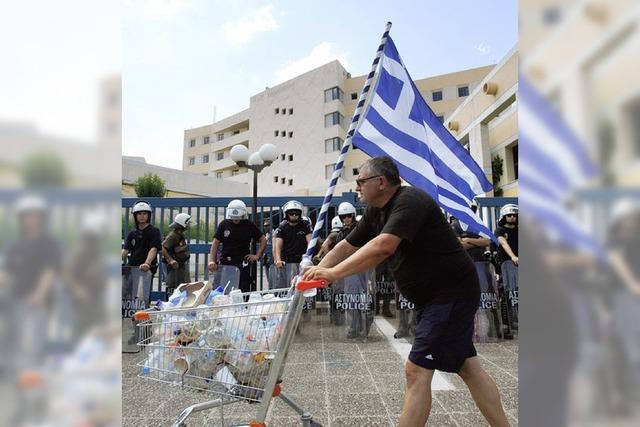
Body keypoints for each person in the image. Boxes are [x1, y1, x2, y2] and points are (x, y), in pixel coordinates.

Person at [302, 156, 509, 427]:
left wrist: (333, 274)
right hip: (436, 298)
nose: (357, 187)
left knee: (416, 371)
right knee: (468, 368)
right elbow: (347, 246)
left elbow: (383, 247)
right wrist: (314, 271)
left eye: (361, 181)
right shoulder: (377, 211)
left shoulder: (410, 201)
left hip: (449, 294)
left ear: (381, 182)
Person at [208, 200, 266, 293]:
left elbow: (263, 239)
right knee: (222, 290)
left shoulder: (249, 225)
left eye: (238, 217)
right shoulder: (224, 224)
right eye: (234, 217)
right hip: (226, 263)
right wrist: (212, 260)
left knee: (242, 290)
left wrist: (257, 255)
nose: (236, 219)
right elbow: (215, 243)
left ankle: (243, 307)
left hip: (242, 264)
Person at [122, 200, 161, 301]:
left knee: (143, 295)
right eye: (139, 213)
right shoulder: (132, 233)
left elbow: (154, 249)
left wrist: (147, 263)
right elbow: (126, 250)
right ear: (135, 216)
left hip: (146, 268)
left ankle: (142, 314)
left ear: (148, 215)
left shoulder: (154, 231)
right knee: (128, 293)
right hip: (132, 267)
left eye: (144, 213)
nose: (142, 216)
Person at [272, 200, 312, 288]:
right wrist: (278, 259)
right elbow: (278, 244)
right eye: (291, 213)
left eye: (296, 213)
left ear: (300, 214)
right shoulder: (282, 226)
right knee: (287, 288)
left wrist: (308, 256)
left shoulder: (305, 225)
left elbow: (310, 241)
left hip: (302, 261)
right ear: (286, 214)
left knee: (303, 287)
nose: (294, 215)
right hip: (287, 262)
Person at [162, 213, 192, 296]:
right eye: (188, 223)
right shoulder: (173, 236)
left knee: (182, 285)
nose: (189, 225)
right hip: (174, 268)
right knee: (173, 287)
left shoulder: (180, 235)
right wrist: (171, 260)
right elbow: (163, 248)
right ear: (183, 224)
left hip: (180, 266)